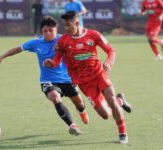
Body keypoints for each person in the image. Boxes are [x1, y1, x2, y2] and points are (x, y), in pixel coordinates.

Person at [43, 11, 132, 144]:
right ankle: (120, 101)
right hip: (84, 82)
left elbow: (110, 51)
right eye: (64, 26)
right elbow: (56, 60)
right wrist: (51, 63)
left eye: (69, 25)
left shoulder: (93, 34)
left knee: (111, 100)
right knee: (105, 115)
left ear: (77, 23)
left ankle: (122, 133)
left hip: (99, 74)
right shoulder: (63, 41)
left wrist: (108, 62)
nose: (66, 29)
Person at [0, 15, 89, 136]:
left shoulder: (64, 39)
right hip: (48, 80)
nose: (48, 33)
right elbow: (18, 49)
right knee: (55, 98)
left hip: (67, 79)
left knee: (79, 104)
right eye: (45, 31)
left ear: (56, 30)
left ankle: (82, 112)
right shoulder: (36, 42)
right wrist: (1, 57)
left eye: (50, 30)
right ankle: (72, 125)